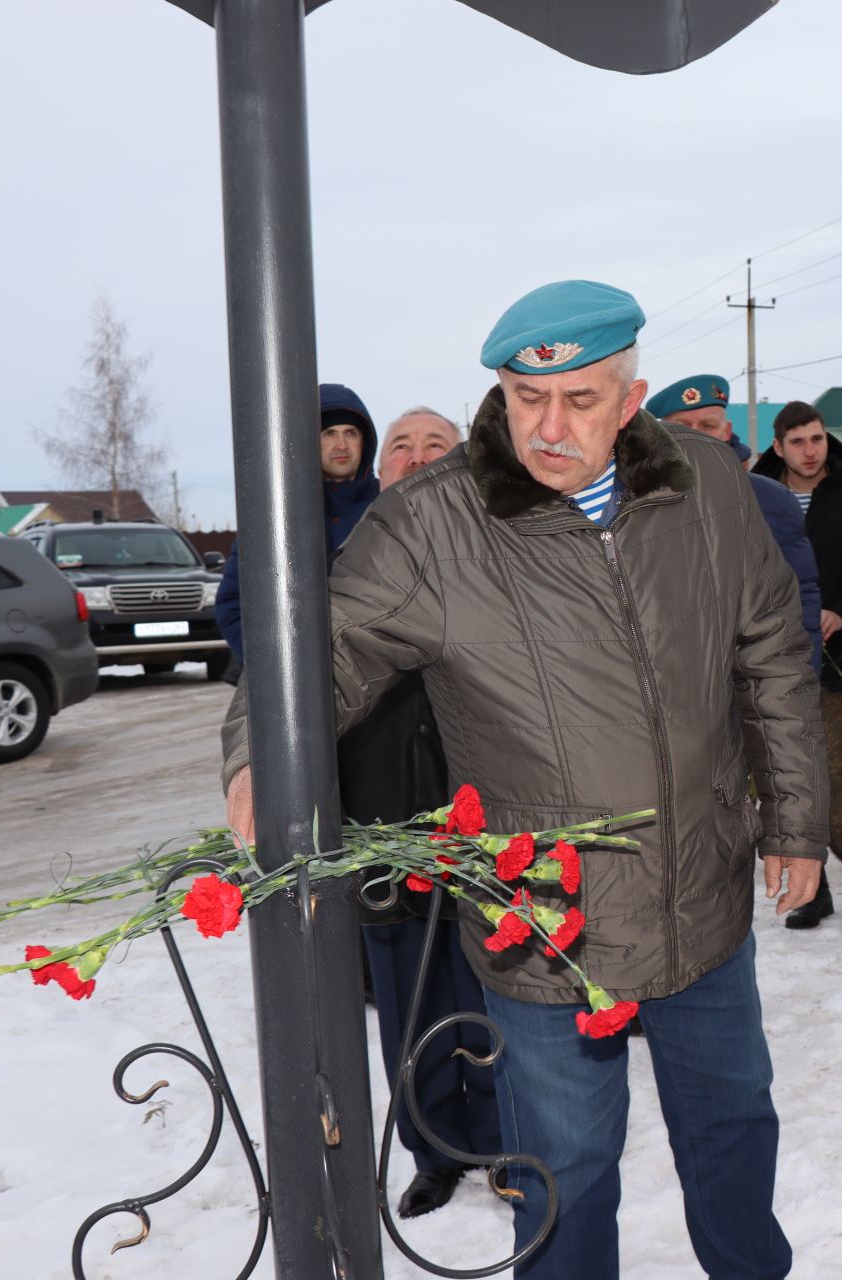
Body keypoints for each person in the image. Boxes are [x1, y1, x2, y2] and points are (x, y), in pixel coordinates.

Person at [221, 280, 828, 1280]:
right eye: (521, 396)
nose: (547, 426)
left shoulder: (706, 487)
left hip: (704, 893)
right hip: (548, 918)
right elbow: (317, 653)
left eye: (580, 400)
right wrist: (261, 758)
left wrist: (797, 820)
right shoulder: (433, 522)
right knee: (565, 1171)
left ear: (630, 400)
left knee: (733, 1132)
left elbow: (768, 654)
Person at [346, 407, 504, 1219]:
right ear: (380, 475)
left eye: (433, 444)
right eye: (399, 446)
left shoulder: (504, 559)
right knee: (407, 998)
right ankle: (433, 1149)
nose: (413, 457)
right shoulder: (343, 568)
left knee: (494, 988)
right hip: (381, 825)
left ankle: (507, 1140)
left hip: (486, 823)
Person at [753, 402, 842, 935]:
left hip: (838, 660)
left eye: (816, 439)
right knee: (792, 781)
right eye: (798, 442)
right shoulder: (757, 493)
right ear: (779, 445)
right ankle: (816, 893)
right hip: (773, 662)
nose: (810, 451)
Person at [646, 373, 823, 670]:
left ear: (726, 431)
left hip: (752, 677)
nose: (696, 434)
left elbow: (799, 596)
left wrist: (802, 676)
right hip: (670, 678)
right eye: (682, 425)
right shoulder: (636, 503)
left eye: (708, 425)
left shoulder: (772, 501)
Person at [214, 382, 379, 660]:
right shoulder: (275, 512)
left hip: (381, 679)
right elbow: (234, 602)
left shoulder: (386, 505)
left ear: (365, 441)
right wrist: (271, 666)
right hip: (298, 678)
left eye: (351, 433)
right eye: (328, 433)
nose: (341, 445)